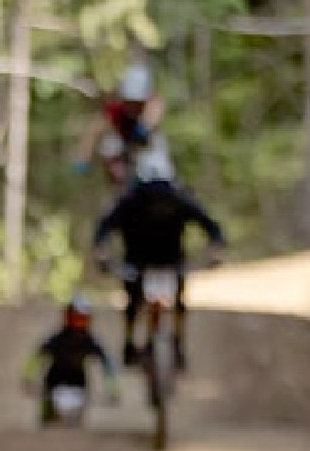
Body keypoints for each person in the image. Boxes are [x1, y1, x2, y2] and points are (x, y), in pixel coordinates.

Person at [92, 150, 226, 372]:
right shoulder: (132, 200)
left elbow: (209, 224)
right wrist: (101, 251)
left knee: (177, 301)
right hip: (139, 263)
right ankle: (130, 343)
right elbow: (105, 226)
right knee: (134, 302)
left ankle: (177, 343)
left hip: (169, 262)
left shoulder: (176, 199)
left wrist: (216, 247)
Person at [22, 295, 118, 425]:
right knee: (47, 419)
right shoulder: (56, 340)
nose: (78, 322)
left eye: (81, 318)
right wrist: (28, 378)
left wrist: (113, 388)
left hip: (79, 384)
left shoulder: (90, 342)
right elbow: (37, 357)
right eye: (75, 317)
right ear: (67, 317)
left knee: (77, 422)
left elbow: (107, 364)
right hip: (54, 383)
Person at [74, 62, 167, 187]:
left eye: (138, 102)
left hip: (147, 151)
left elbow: (153, 116)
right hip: (122, 149)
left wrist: (144, 128)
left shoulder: (153, 105)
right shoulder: (115, 111)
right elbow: (93, 132)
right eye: (130, 101)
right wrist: (83, 158)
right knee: (111, 149)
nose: (133, 106)